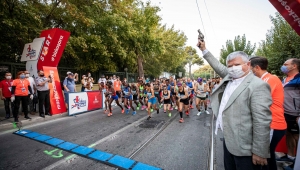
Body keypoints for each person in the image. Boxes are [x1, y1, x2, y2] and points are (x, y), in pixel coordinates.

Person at [197, 40, 272, 170]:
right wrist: (204, 49)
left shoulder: (258, 86)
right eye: (229, 66)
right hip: (229, 142)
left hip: (246, 149)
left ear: (248, 64)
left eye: (236, 65)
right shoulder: (230, 77)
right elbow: (218, 66)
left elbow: (262, 121)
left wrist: (260, 151)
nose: (232, 69)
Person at [250, 56, 287, 170]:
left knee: (265, 157)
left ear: (256, 68)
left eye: (250, 67)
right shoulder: (263, 79)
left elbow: (258, 99)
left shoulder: (271, 79)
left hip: (273, 124)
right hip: (271, 123)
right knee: (268, 156)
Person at [277, 58, 300, 169]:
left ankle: (297, 163)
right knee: (289, 135)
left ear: (294, 66)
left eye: (286, 64)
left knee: (296, 137)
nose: (283, 66)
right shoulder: (285, 79)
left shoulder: (299, 79)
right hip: (284, 112)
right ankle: (290, 157)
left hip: (295, 113)